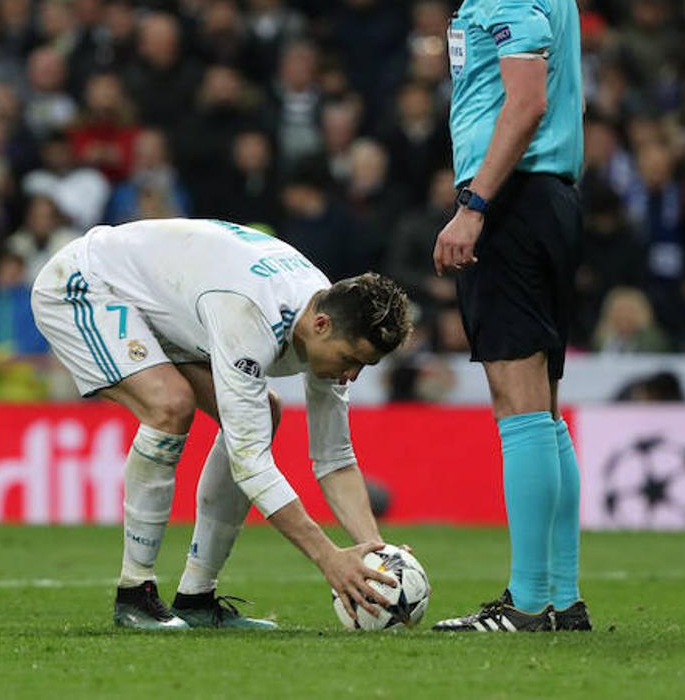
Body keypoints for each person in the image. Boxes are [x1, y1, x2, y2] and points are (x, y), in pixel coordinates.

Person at [30, 218, 412, 629]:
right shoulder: (249, 314)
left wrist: (375, 554)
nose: (352, 375)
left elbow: (334, 457)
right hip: (85, 283)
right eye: (350, 359)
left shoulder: (325, 312)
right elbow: (251, 462)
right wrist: (327, 557)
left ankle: (196, 598)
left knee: (260, 412)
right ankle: (134, 594)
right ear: (321, 325)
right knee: (170, 405)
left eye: (363, 366)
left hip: (162, 305)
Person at [393, 0, 587, 632]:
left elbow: (526, 100)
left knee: (516, 403)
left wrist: (473, 204)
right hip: (544, 201)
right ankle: (560, 597)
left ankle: (530, 603)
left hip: (511, 204)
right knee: (540, 405)